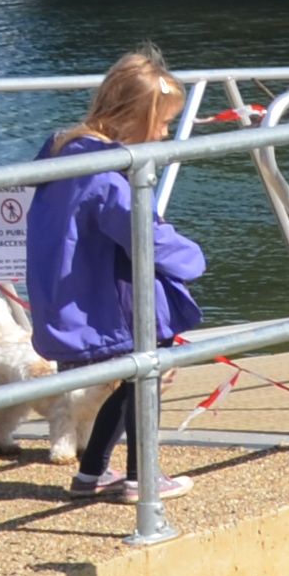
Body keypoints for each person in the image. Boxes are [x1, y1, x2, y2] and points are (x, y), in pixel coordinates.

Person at [20, 53, 210, 508]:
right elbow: (143, 233)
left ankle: (91, 472)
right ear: (136, 119)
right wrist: (193, 258)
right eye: (163, 124)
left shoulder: (65, 153)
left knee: (129, 382)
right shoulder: (106, 177)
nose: (165, 134)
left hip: (76, 294)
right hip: (109, 299)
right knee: (146, 377)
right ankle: (142, 477)